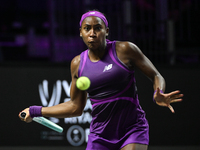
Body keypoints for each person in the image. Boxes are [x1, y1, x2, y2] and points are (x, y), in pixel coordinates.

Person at [19, 10, 183, 150]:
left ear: (106, 31)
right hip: (100, 134)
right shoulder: (77, 64)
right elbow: (75, 107)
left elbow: (156, 76)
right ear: (81, 33)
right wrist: (35, 110)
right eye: (87, 29)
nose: (92, 33)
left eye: (98, 28)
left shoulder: (125, 50)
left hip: (132, 129)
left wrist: (158, 91)